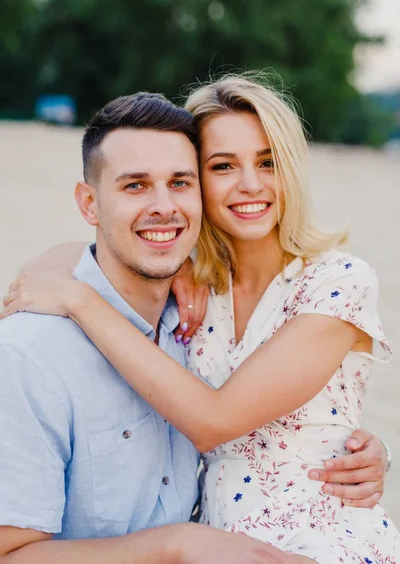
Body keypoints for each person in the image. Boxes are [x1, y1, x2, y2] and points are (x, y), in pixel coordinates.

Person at [3, 76, 398, 563]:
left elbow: (216, 421)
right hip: (216, 539)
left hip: (318, 538)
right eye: (223, 166)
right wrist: (61, 281)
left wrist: (80, 301)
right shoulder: (192, 284)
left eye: (267, 162)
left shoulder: (338, 282)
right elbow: (83, 257)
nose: (250, 184)